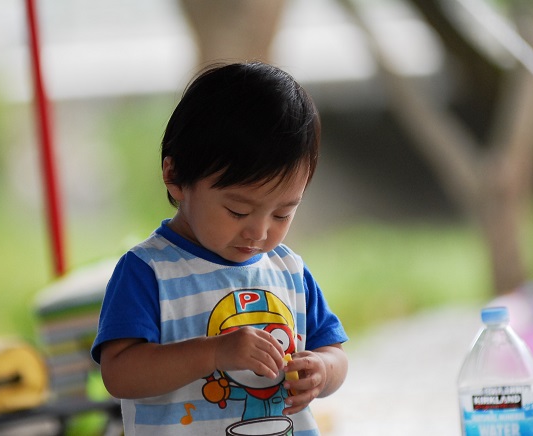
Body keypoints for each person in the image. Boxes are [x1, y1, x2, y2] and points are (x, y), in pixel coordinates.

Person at [91, 62, 348, 435]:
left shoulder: (288, 270)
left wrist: (323, 371)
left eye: (282, 213)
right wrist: (214, 352)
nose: (259, 232)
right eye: (238, 211)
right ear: (175, 177)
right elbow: (119, 374)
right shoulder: (149, 271)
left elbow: (334, 351)